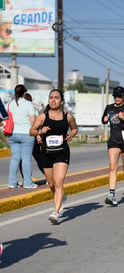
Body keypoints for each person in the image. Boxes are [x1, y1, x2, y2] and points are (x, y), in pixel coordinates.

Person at [30, 89, 78, 224]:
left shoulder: (67, 117)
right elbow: (31, 131)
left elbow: (74, 128)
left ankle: (56, 212)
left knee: (58, 181)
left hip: (62, 152)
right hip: (46, 153)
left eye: (56, 98)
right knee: (51, 183)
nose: (53, 100)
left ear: (61, 101)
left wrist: (71, 135)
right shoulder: (42, 117)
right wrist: (40, 131)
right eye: (51, 97)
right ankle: (61, 197)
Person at [7, 84, 37, 189]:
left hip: (12, 134)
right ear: (24, 93)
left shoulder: (10, 104)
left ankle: (12, 183)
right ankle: (28, 183)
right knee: (26, 158)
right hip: (26, 134)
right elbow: (33, 120)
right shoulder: (28, 104)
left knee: (15, 158)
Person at [19, 92, 44, 179]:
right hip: (33, 137)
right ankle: (48, 177)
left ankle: (26, 179)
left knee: (23, 160)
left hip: (25, 138)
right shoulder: (34, 110)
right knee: (39, 157)